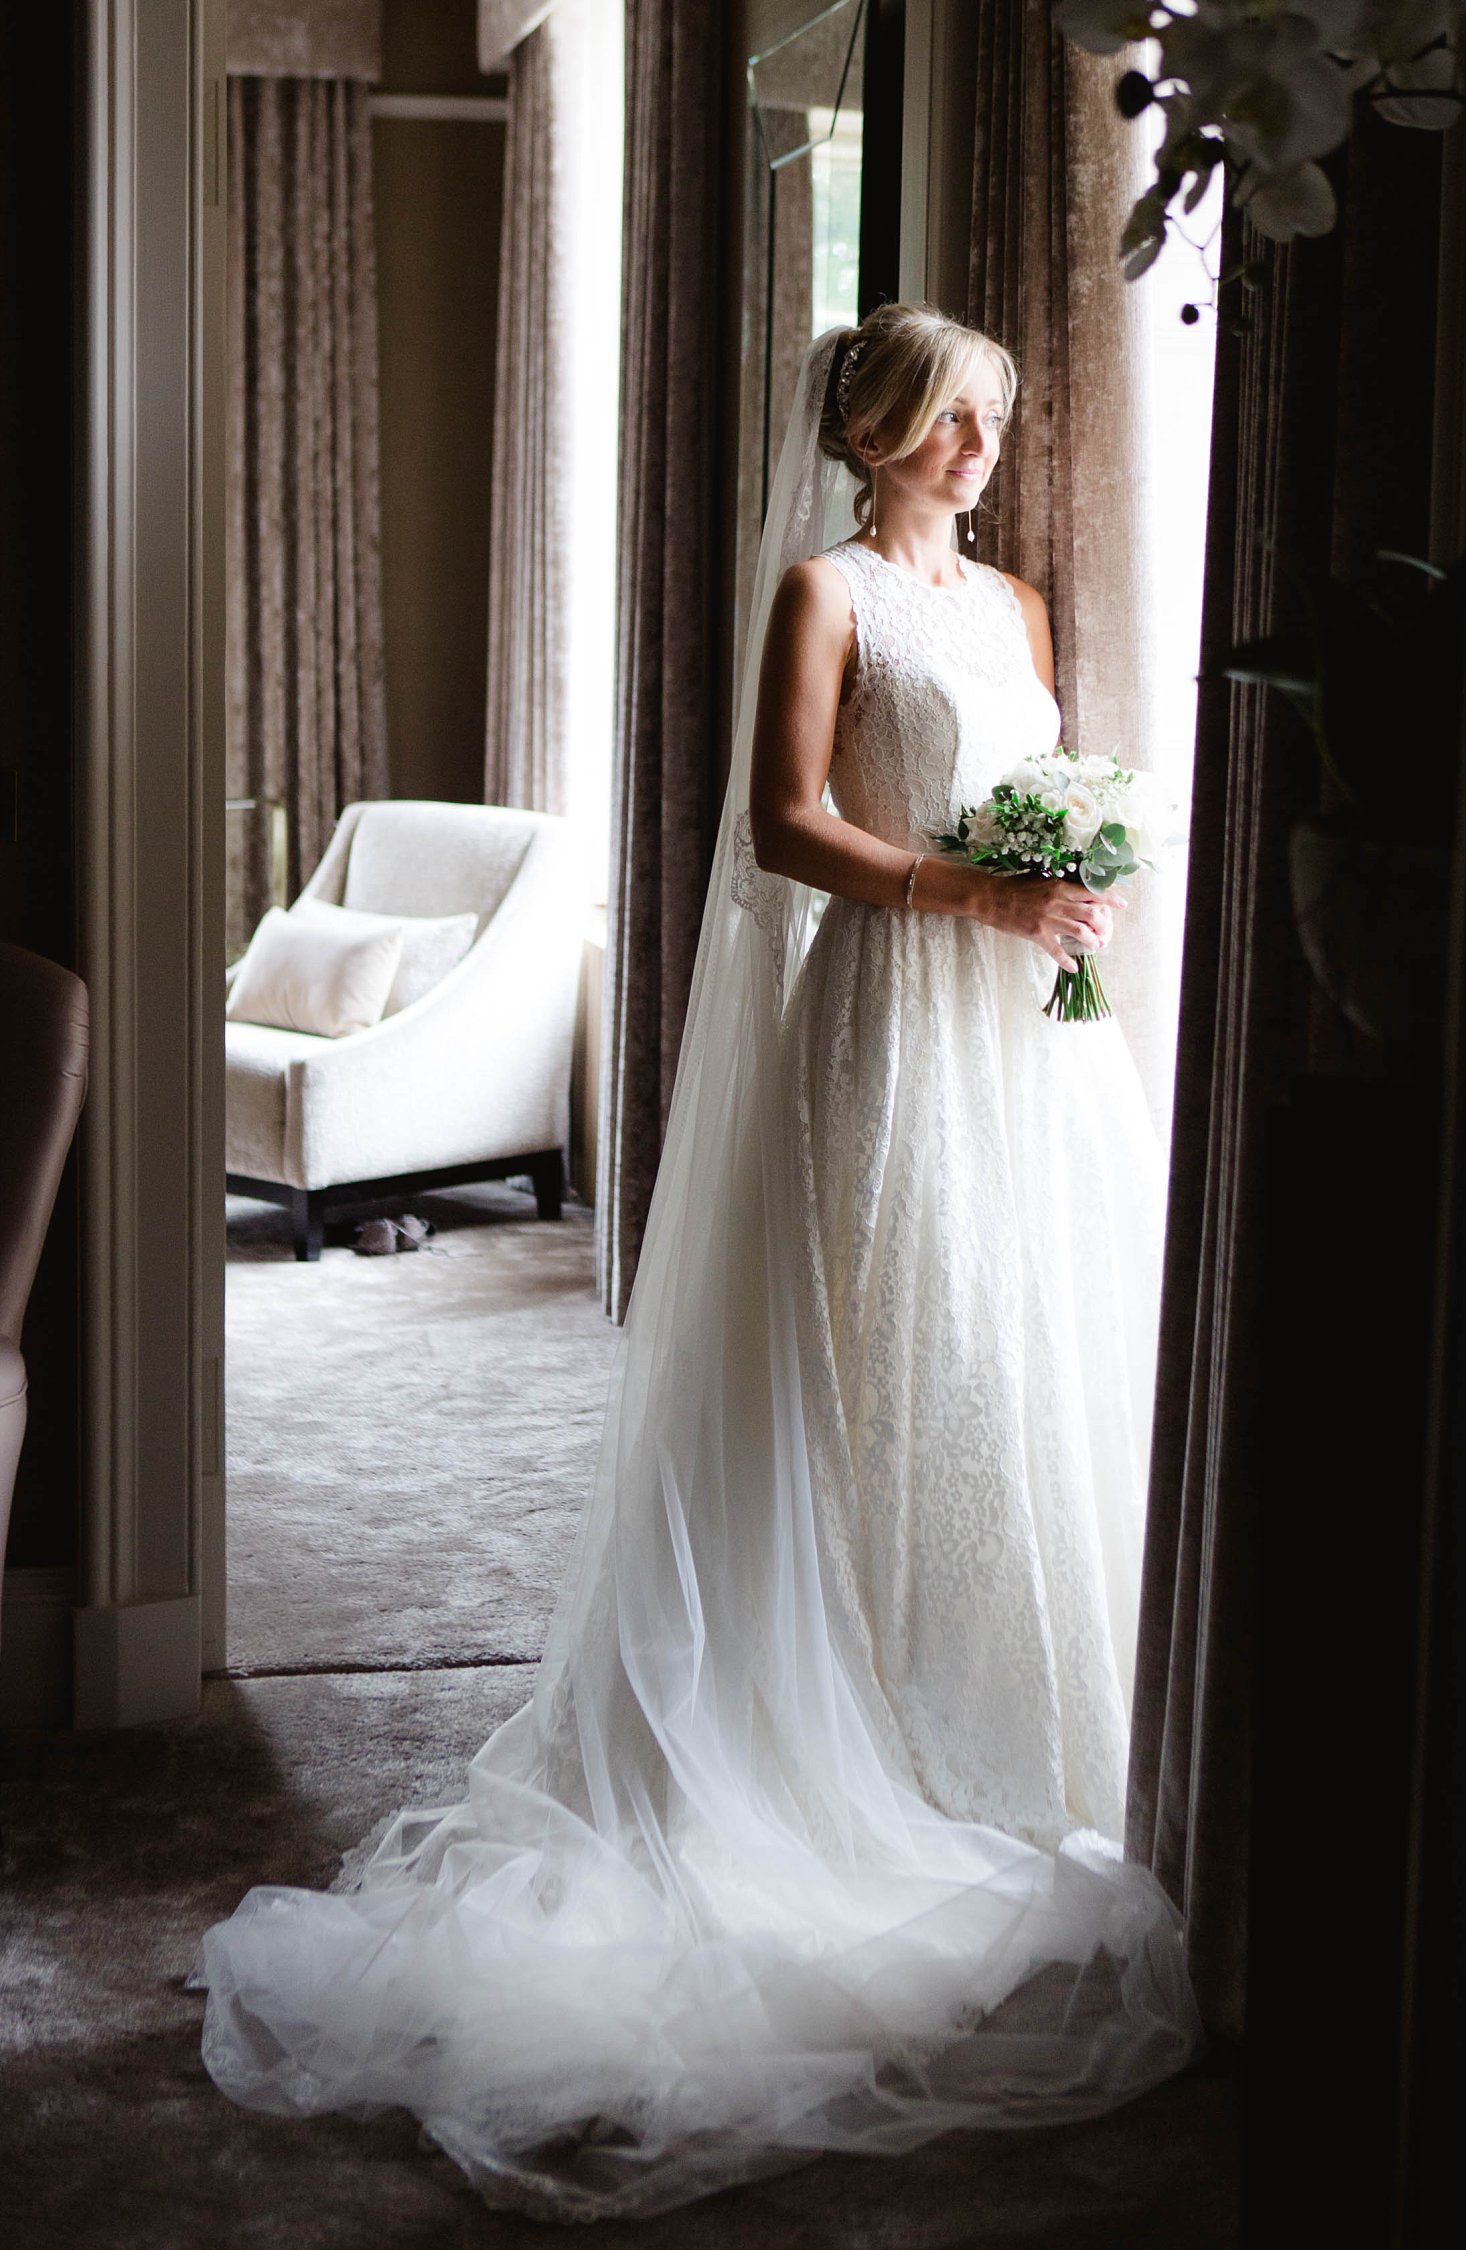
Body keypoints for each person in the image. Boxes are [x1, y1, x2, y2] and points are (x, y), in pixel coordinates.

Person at [197, 307, 1200, 2222]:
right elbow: (784, 823)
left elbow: (1047, 784)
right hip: (894, 1014)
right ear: (877, 428)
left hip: (1025, 1029)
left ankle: (1027, 1715)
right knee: (876, 1357)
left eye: (995, 419)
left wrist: (1063, 890)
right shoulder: (825, 589)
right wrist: (969, 889)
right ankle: (847, 1718)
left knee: (1021, 1350)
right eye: (953, 421)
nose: (984, 451)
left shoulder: (1023, 608)